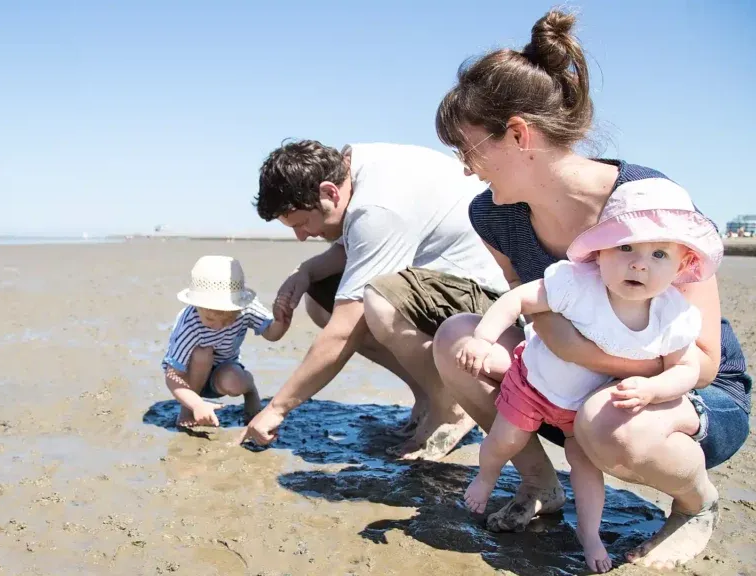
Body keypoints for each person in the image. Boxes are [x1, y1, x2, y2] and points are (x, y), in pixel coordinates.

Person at [431, 9, 752, 571]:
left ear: (517, 135)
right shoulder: (493, 215)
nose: (466, 170)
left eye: (467, 150)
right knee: (457, 336)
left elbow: (700, 360)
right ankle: (539, 485)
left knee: (607, 422)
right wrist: (564, 353)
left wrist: (589, 356)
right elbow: (531, 308)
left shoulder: (648, 202)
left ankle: (694, 502)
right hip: (569, 391)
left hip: (683, 393)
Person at [456, 180, 721, 573]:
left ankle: (590, 534)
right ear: (599, 252)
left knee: (585, 469)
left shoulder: (674, 315)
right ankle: (486, 476)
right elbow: (517, 299)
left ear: (681, 266)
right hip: (533, 385)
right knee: (504, 440)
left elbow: (687, 368)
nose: (639, 263)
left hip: (582, 409)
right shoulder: (576, 282)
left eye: (659, 254)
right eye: (625, 246)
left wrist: (652, 388)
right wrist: (482, 338)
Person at [238, 139, 509, 459]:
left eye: (301, 223)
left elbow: (343, 329)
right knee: (321, 297)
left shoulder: (377, 208)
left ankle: (453, 407)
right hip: (444, 281)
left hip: (487, 298)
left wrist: (276, 409)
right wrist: (307, 272)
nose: (301, 236)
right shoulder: (352, 167)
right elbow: (357, 246)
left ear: (329, 192)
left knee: (378, 306)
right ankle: (428, 395)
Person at [162, 255, 290, 427]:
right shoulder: (190, 323)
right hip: (189, 377)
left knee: (234, 382)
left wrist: (281, 322)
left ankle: (250, 389)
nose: (219, 326)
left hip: (223, 372)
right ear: (197, 306)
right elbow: (172, 376)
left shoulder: (245, 308)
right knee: (202, 353)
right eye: (210, 318)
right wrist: (195, 404)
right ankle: (187, 410)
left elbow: (270, 333)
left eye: (229, 318)